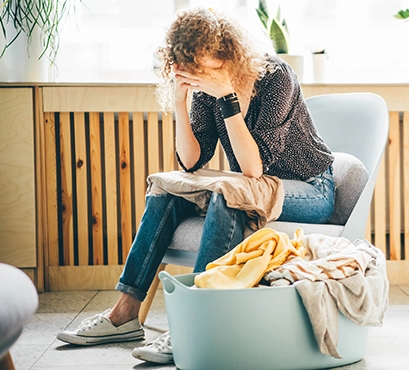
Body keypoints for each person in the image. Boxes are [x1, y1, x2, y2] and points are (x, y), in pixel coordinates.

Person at [56, 6, 335, 365]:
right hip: (254, 186)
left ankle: (196, 321)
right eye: (189, 70)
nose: (197, 75)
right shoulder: (204, 87)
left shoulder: (275, 77)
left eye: (202, 67)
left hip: (309, 188)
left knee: (226, 197)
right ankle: (124, 314)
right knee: (167, 192)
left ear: (226, 53)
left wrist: (228, 97)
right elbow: (191, 162)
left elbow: (253, 167)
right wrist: (180, 100)